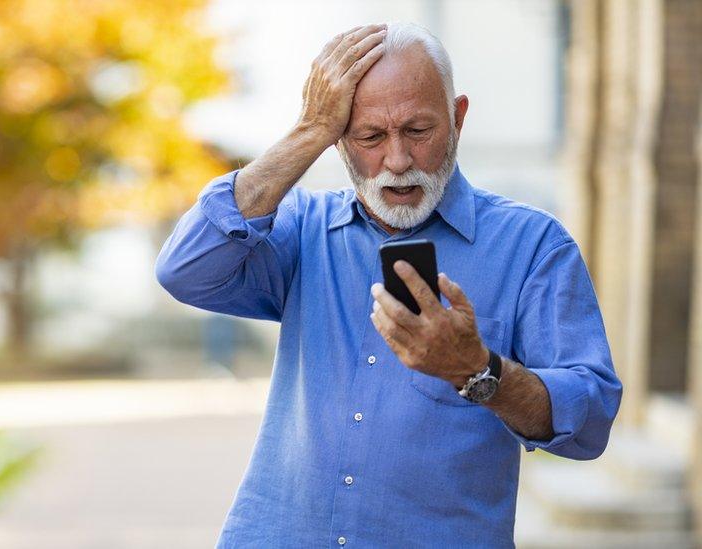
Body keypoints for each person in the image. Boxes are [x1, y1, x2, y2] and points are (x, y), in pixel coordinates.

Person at [154, 21, 622, 548]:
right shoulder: (302, 230)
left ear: (458, 118)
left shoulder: (533, 245)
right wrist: (308, 130)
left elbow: (589, 422)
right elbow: (185, 269)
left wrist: (477, 369)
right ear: (338, 141)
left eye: (418, 132)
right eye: (370, 137)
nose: (397, 161)